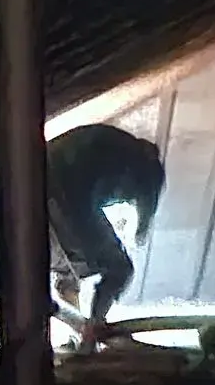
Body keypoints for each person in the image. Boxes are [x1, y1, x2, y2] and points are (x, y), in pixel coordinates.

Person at [46, 122, 165, 348]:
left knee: (68, 274)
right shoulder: (131, 161)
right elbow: (86, 208)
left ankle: (81, 334)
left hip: (32, 192)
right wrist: (137, 230)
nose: (123, 200)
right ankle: (93, 330)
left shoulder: (112, 148)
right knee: (120, 268)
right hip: (64, 194)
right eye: (126, 197)